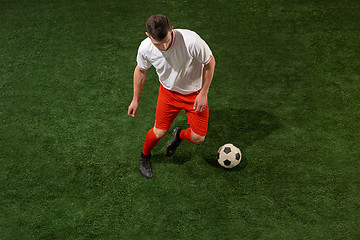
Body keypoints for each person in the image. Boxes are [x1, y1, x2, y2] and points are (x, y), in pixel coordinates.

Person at [128, 14, 215, 178]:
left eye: (166, 41)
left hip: (194, 94)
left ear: (171, 29)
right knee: (159, 132)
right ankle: (145, 156)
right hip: (168, 94)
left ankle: (179, 135)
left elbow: (209, 63)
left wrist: (203, 92)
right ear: (148, 36)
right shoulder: (145, 48)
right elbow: (140, 70)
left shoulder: (191, 41)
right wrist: (135, 99)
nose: (163, 47)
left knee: (198, 137)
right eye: (158, 44)